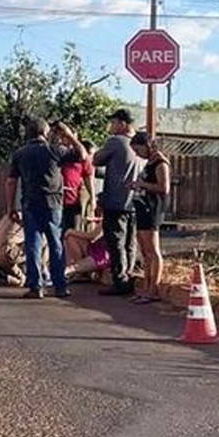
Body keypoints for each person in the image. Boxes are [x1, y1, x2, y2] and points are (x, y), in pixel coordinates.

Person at [6, 118, 87, 299]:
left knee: (33, 244)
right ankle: (60, 286)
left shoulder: (20, 154)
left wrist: (10, 207)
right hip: (53, 203)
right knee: (55, 244)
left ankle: (36, 286)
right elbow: (82, 155)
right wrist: (69, 135)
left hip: (30, 203)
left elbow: (11, 182)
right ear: (45, 132)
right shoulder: (54, 150)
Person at [91, 108, 141, 296]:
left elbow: (96, 160)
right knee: (130, 241)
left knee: (116, 241)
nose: (110, 126)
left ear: (122, 124)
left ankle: (120, 280)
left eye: (112, 122)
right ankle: (128, 275)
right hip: (135, 201)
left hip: (116, 200)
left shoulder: (116, 142)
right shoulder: (140, 143)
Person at [129, 131, 170, 304]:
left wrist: (142, 184)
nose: (137, 155)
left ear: (147, 146)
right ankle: (146, 286)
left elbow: (164, 188)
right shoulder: (149, 163)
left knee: (153, 250)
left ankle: (154, 289)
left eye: (138, 150)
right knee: (145, 251)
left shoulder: (160, 163)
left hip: (152, 209)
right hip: (141, 207)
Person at [54, 122, 94, 238]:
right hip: (55, 200)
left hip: (72, 201)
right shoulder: (55, 152)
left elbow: (88, 175)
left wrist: (92, 197)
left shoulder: (81, 155)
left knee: (71, 234)